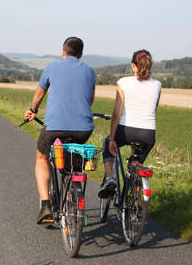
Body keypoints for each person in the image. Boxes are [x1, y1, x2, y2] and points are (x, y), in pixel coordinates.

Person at [24, 37, 96, 224]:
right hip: (83, 128)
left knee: (41, 158)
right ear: (81, 54)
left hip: (55, 127)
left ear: (63, 52)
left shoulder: (52, 67)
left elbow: (40, 92)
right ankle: (73, 192)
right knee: (74, 159)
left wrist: (33, 110)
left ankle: (45, 205)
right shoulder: (89, 71)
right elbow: (89, 100)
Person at [98, 50, 161, 198]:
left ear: (133, 65)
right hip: (148, 134)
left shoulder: (123, 82)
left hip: (126, 131)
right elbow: (153, 109)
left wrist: (112, 138)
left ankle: (109, 178)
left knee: (107, 143)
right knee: (136, 163)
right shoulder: (158, 84)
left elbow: (116, 114)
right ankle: (133, 194)